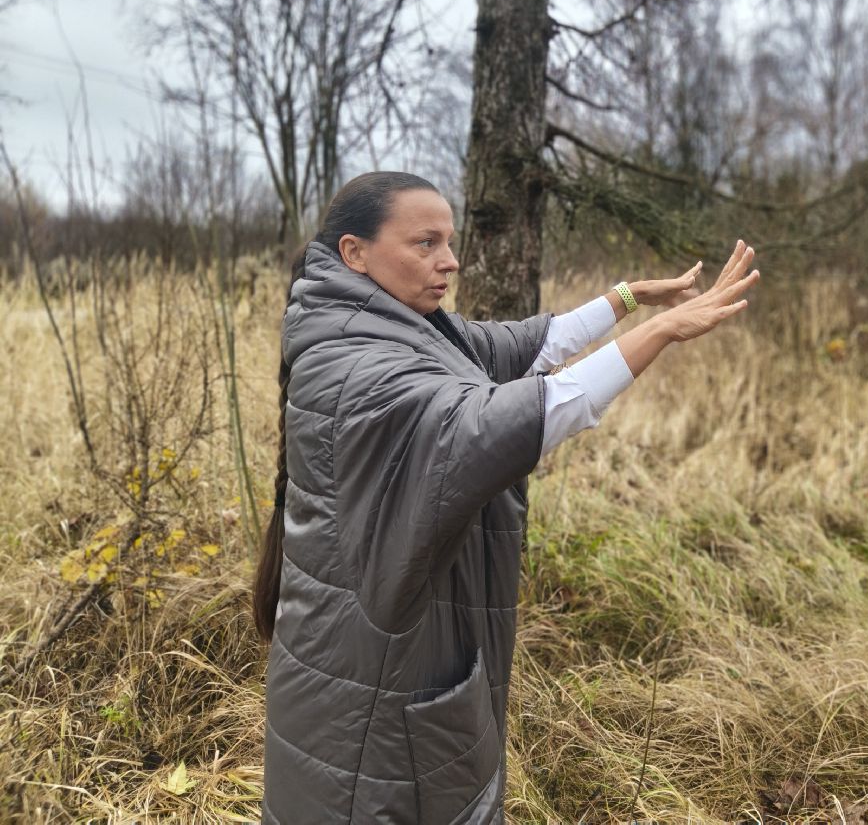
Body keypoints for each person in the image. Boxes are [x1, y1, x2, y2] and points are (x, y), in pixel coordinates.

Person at [252, 171, 759, 823]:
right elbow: (497, 425)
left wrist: (629, 298)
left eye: (450, 240)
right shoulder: (358, 365)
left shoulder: (392, 324)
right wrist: (658, 333)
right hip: (370, 709)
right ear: (356, 252)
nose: (450, 260)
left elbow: (519, 347)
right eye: (426, 243)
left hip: (367, 673)